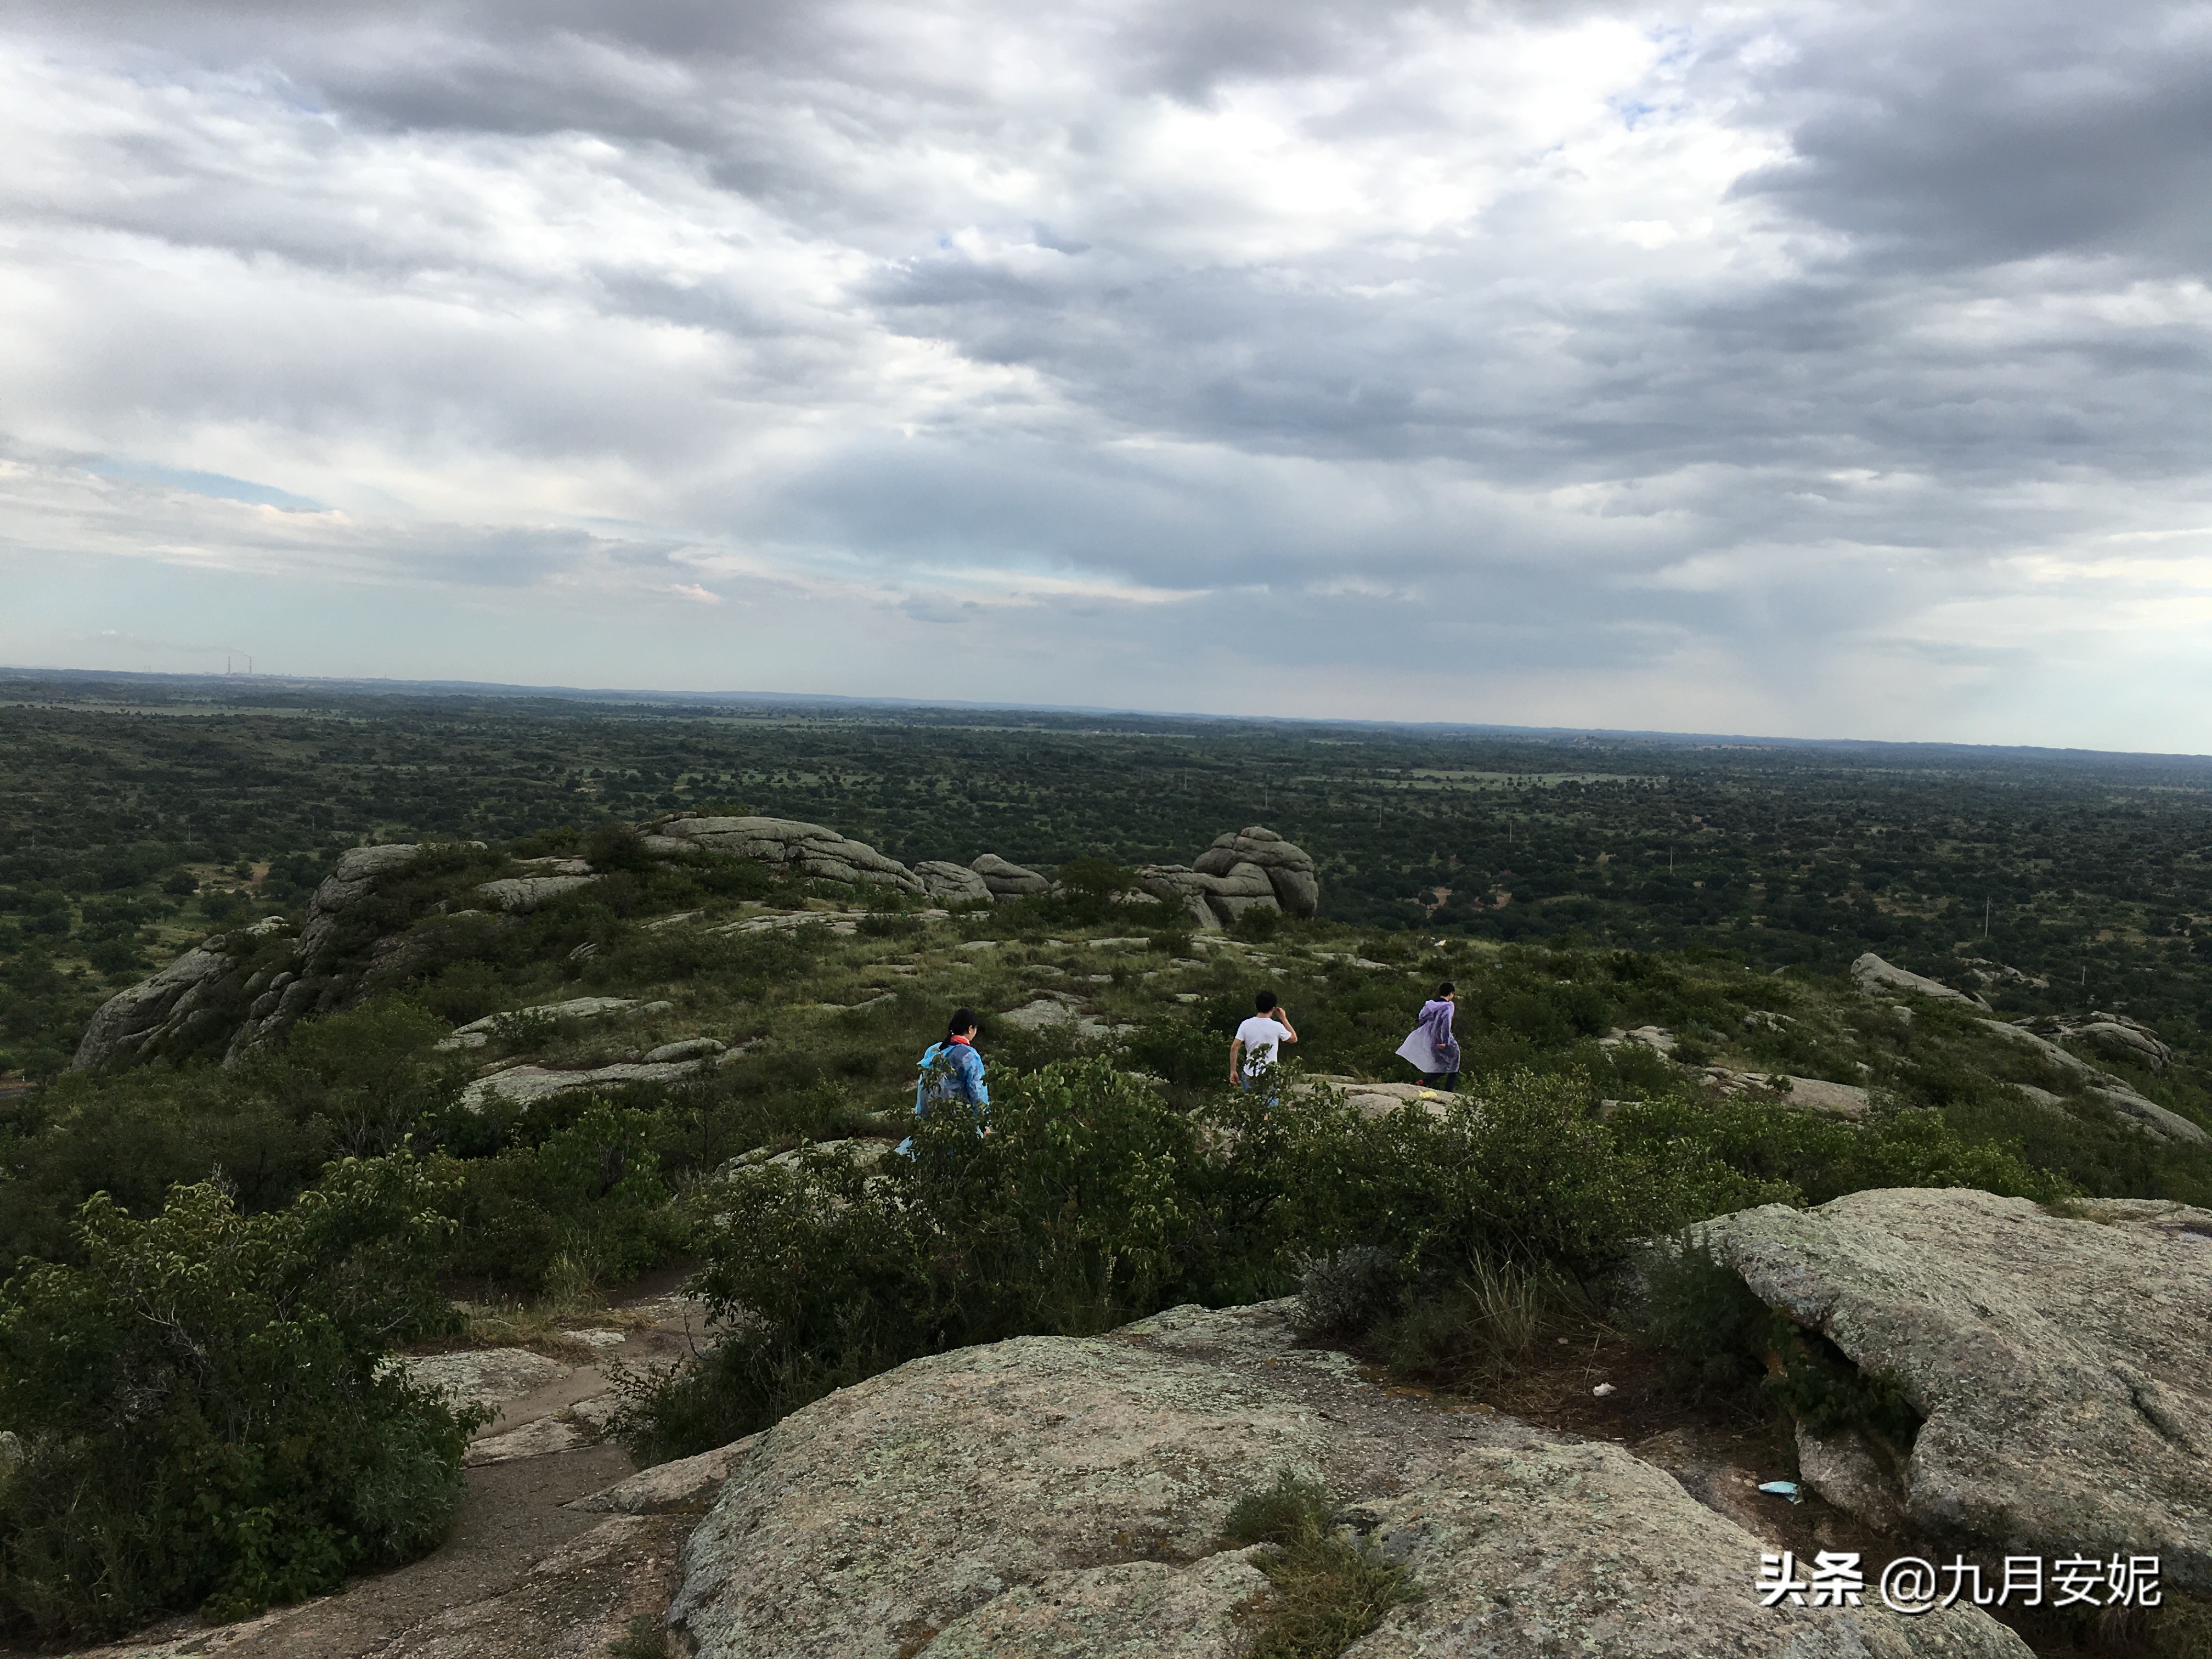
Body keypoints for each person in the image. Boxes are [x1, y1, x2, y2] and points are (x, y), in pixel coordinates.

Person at [899, 1007, 989, 1155]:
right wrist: (985, 1126)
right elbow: (978, 1094)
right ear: (970, 1029)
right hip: (958, 1122)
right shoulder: (970, 1056)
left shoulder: (934, 1050)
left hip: (931, 1122)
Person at [1228, 990, 1299, 1096]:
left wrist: (1233, 1070)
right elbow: (1294, 1039)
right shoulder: (1277, 1026)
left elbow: (1235, 1047)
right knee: (1270, 1108)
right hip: (1270, 1073)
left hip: (1250, 1071)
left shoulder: (1245, 1024)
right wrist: (1283, 1018)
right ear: (1273, 1008)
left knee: (1251, 1106)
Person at [1395, 981, 1460, 1091]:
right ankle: (1448, 1093)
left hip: (1431, 1039)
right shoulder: (1448, 1006)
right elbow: (1446, 1024)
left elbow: (1421, 1018)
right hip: (1443, 1039)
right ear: (1451, 994)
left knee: (1443, 1064)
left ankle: (1424, 1082)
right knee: (1454, 1066)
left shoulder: (1430, 1005)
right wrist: (1445, 1041)